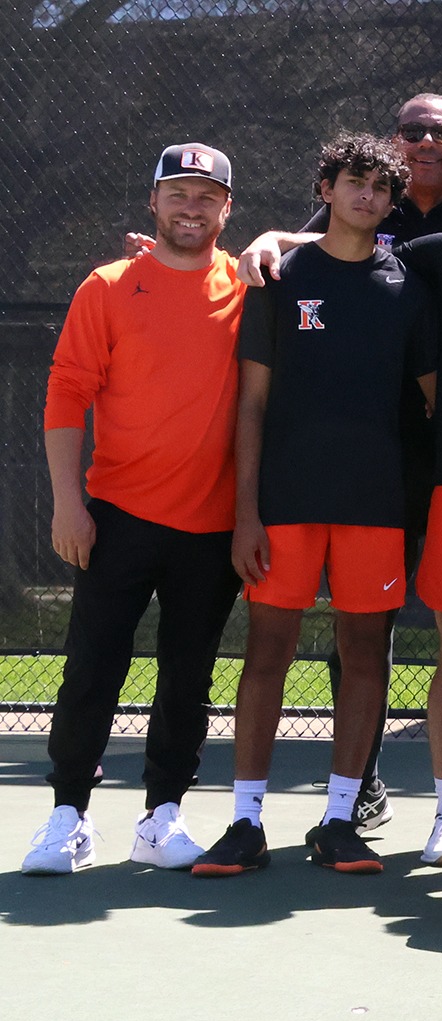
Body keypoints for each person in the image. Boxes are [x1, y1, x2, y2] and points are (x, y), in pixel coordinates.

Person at [234, 92, 442, 848]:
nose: (424, 141)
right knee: (347, 637)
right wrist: (266, 236)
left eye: (439, 131)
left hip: (439, 463)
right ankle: (345, 794)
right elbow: (312, 246)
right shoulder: (309, 257)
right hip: (322, 479)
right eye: (411, 131)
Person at [190, 134, 431, 878]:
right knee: (267, 652)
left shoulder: (408, 285)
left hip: (375, 503)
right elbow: (251, 404)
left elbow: (439, 399)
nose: (367, 195)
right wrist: (247, 513)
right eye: (354, 181)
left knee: (365, 655)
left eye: (380, 187)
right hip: (285, 503)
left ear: (391, 202)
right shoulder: (278, 276)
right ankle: (245, 822)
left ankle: (339, 820)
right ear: (325, 188)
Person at [23, 143, 245, 874]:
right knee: (91, 668)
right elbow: (66, 394)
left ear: (227, 209)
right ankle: (68, 816)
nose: (191, 208)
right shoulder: (109, 285)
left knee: (189, 678)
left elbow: (334, 237)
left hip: (211, 526)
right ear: (153, 202)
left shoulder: (250, 287)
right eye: (177, 193)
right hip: (116, 515)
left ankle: (162, 818)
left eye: (206, 196)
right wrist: (68, 503)